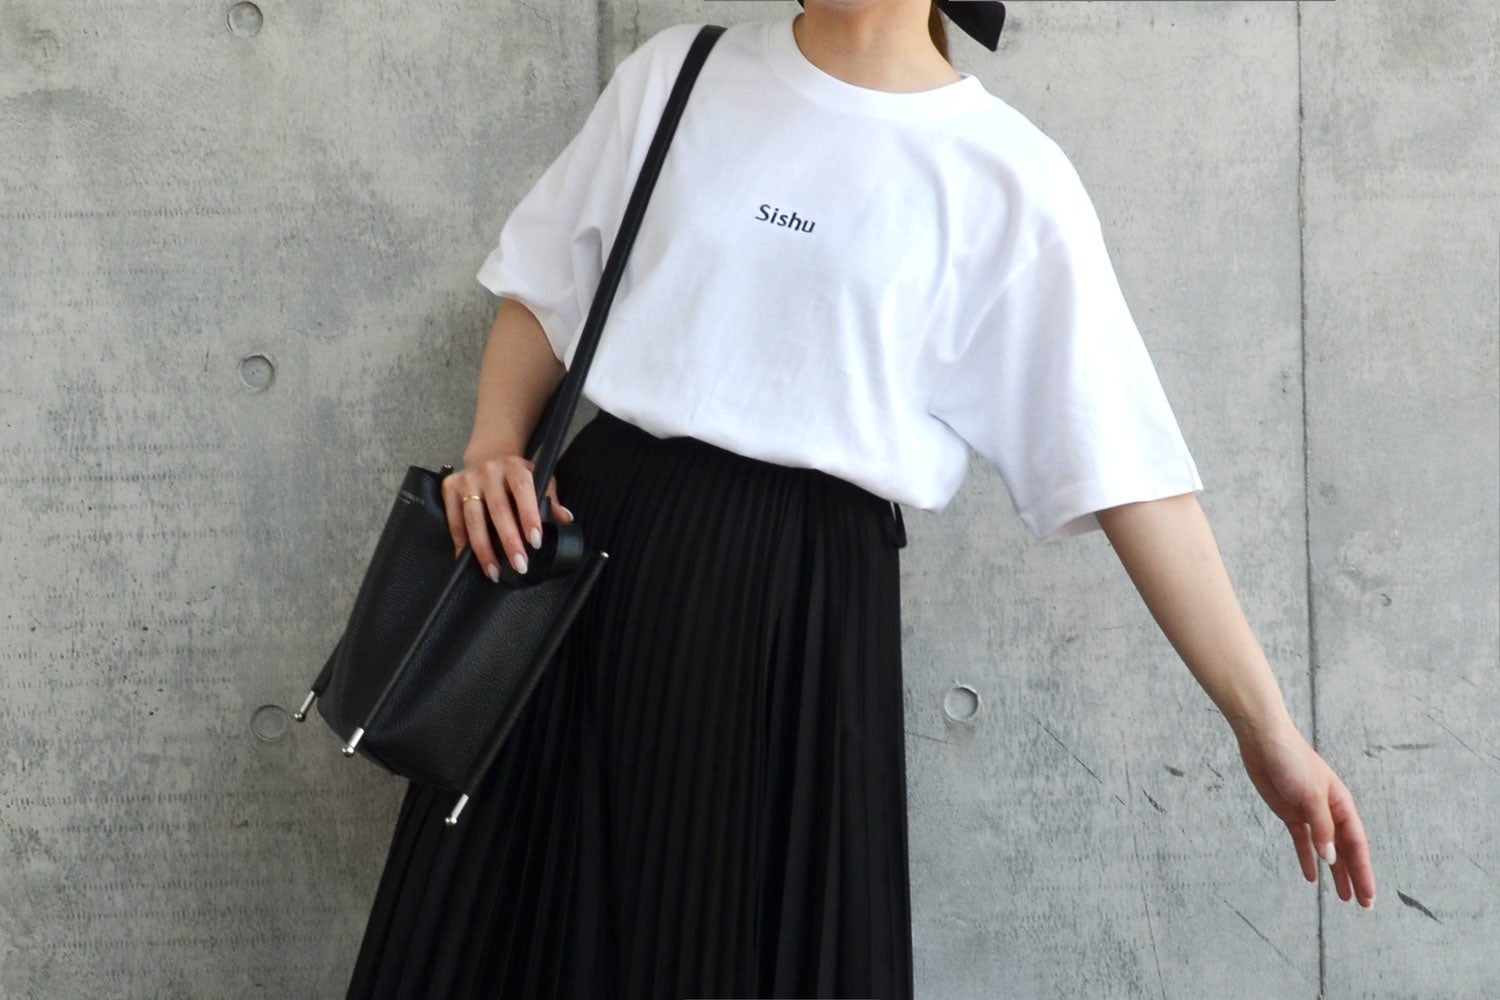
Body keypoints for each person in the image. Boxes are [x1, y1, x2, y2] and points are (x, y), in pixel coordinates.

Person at [343, 2, 1377, 997]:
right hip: (586, 557)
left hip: (796, 609)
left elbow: (1128, 473)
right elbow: (547, 289)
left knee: (728, 937)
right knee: (512, 931)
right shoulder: (681, 72)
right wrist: (494, 445)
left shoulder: (1007, 175)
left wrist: (1265, 726)